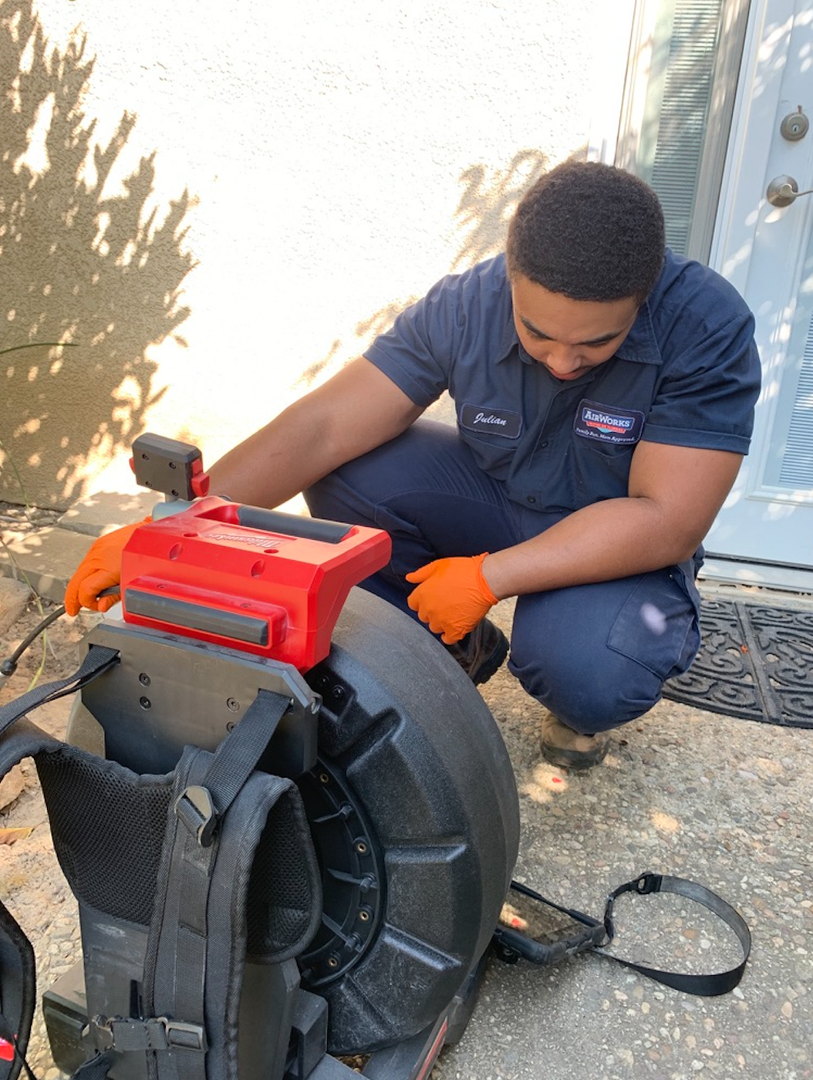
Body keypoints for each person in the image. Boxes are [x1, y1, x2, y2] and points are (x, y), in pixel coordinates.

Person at [65, 161, 761, 770]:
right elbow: (323, 428)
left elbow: (666, 518)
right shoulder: (466, 304)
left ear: (644, 296)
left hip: (615, 539)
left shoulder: (704, 325)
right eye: (537, 333)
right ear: (511, 277)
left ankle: (578, 703)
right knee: (349, 469)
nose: (560, 361)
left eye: (594, 345)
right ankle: (446, 651)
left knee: (588, 671)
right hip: (501, 497)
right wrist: (179, 530)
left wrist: (488, 577)